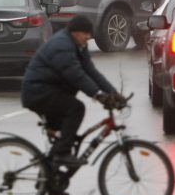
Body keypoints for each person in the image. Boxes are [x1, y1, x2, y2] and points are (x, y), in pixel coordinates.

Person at [20, 16, 124, 185]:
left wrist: (113, 93)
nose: (88, 37)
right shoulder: (62, 46)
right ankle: (61, 155)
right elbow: (76, 75)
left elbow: (91, 72)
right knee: (76, 109)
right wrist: (98, 95)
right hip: (37, 92)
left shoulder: (78, 46)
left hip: (50, 90)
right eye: (85, 34)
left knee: (66, 132)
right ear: (75, 33)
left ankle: (50, 173)